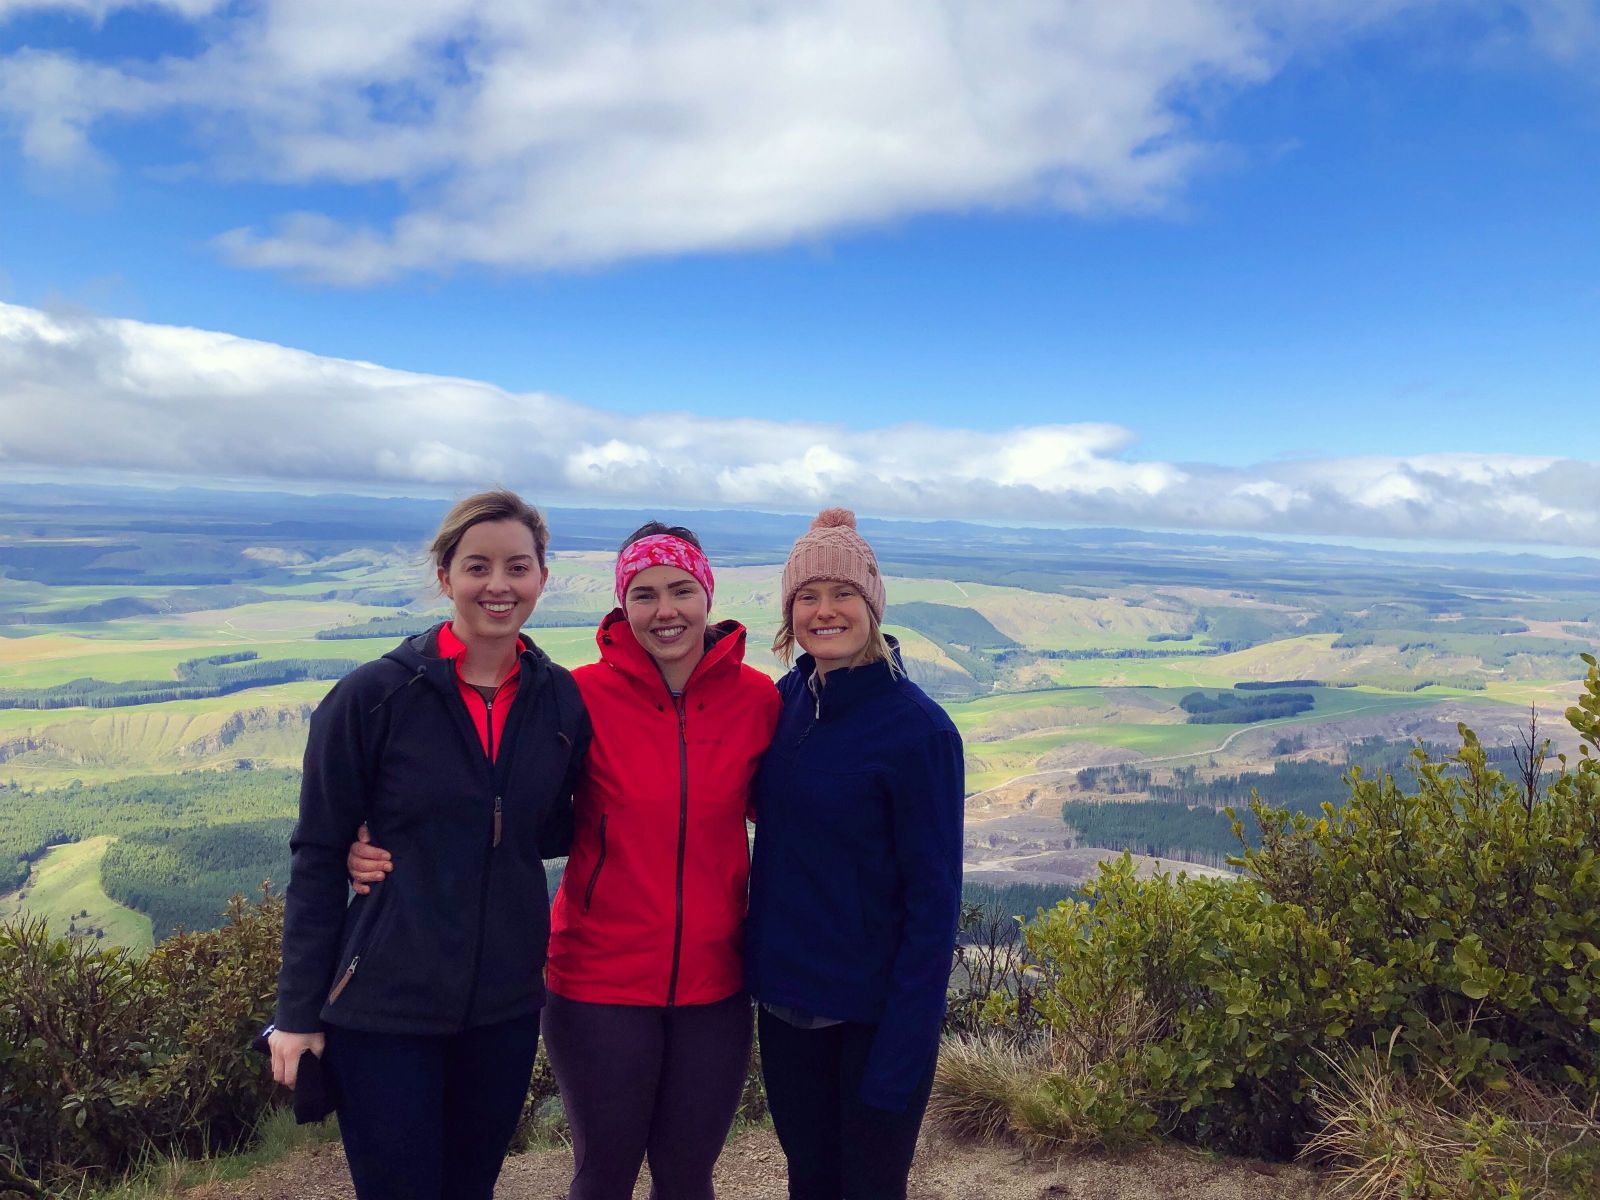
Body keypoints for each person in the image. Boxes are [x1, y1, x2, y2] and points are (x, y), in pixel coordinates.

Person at [349, 521, 779, 1200]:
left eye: (680, 590)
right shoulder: (576, 695)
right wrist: (370, 837)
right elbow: (497, 800)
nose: (664, 611)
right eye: (644, 594)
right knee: (603, 1175)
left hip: (716, 985)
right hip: (596, 982)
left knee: (689, 1176)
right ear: (621, 604)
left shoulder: (759, 699)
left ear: (707, 595)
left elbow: (795, 815)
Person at [270, 490, 589, 1200]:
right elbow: (319, 856)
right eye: (477, 567)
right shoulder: (373, 697)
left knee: (470, 1187)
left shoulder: (560, 700)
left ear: (542, 577)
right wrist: (295, 1014)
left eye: (517, 566)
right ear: (445, 577)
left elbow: (554, 824)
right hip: (385, 1006)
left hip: (504, 1007)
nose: (498, 586)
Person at [744, 508, 965, 1200]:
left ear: (871, 603)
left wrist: (904, 1051)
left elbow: (934, 905)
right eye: (807, 596)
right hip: (785, 1009)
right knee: (809, 1182)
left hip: (873, 1021)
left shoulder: (919, 731)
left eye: (843, 594)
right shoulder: (788, 703)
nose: (824, 610)